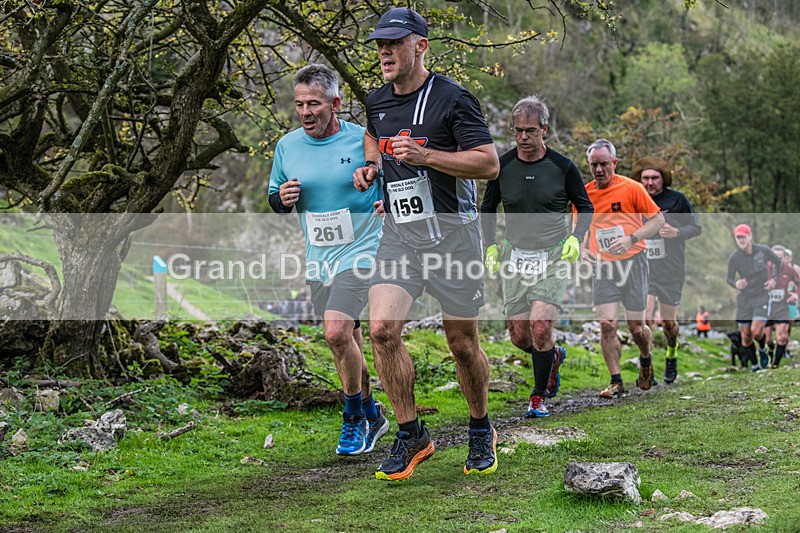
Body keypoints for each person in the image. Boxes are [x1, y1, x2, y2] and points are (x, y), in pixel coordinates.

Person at [353, 7, 501, 481]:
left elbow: (488, 164)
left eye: (393, 43)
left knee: (461, 342)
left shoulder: (454, 99)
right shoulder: (376, 101)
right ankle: (412, 432)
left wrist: (428, 156)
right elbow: (372, 137)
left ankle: (481, 427)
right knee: (381, 330)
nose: (384, 52)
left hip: (456, 238)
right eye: (379, 44)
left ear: (420, 46)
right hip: (401, 235)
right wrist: (372, 169)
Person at [268, 64, 388, 456]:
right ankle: (373, 412)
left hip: (362, 251)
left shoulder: (362, 141)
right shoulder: (287, 146)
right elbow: (274, 197)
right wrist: (281, 199)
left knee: (336, 331)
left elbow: (391, 182)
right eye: (300, 104)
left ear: (335, 103)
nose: (306, 112)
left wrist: (383, 197)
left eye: (314, 104)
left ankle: (353, 419)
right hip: (319, 259)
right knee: (345, 342)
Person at [480, 95, 594, 418]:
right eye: (518, 131)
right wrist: (490, 245)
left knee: (540, 326)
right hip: (515, 256)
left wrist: (575, 239)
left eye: (531, 130)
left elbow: (585, 207)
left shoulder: (562, 167)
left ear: (544, 129)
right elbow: (487, 208)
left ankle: (538, 396)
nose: (524, 138)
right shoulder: (503, 167)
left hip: (554, 255)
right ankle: (552, 356)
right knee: (520, 336)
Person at [579, 139, 665, 398]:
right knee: (607, 324)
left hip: (634, 261)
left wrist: (631, 238)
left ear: (614, 163)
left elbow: (658, 220)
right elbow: (579, 230)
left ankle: (645, 358)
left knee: (636, 327)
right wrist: (583, 250)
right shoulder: (583, 194)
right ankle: (616, 380)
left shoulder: (633, 188)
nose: (599, 170)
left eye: (604, 164)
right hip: (604, 265)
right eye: (594, 165)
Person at [631, 157, 702, 383]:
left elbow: (696, 227)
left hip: (671, 270)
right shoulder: (634, 199)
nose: (650, 183)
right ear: (639, 180)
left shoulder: (677, 200)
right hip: (644, 268)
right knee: (646, 320)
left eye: (655, 178)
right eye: (646, 178)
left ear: (663, 179)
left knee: (668, 324)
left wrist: (677, 232)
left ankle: (672, 351)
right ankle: (647, 363)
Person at [725, 224, 781, 371]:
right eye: (738, 237)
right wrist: (736, 283)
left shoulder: (763, 251)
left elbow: (778, 262)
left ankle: (762, 349)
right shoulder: (734, 258)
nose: (741, 240)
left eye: (743, 237)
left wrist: (774, 279)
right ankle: (755, 365)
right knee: (746, 336)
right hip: (744, 298)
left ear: (750, 236)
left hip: (761, 294)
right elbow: (729, 279)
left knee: (756, 331)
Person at [763, 245, 800, 367]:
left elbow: (798, 283)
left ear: (784, 258)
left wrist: (796, 294)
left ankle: (775, 364)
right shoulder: (764, 268)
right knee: (767, 339)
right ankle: (770, 349)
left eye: (780, 258)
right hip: (766, 307)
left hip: (781, 307)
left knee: (782, 337)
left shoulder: (788, 270)